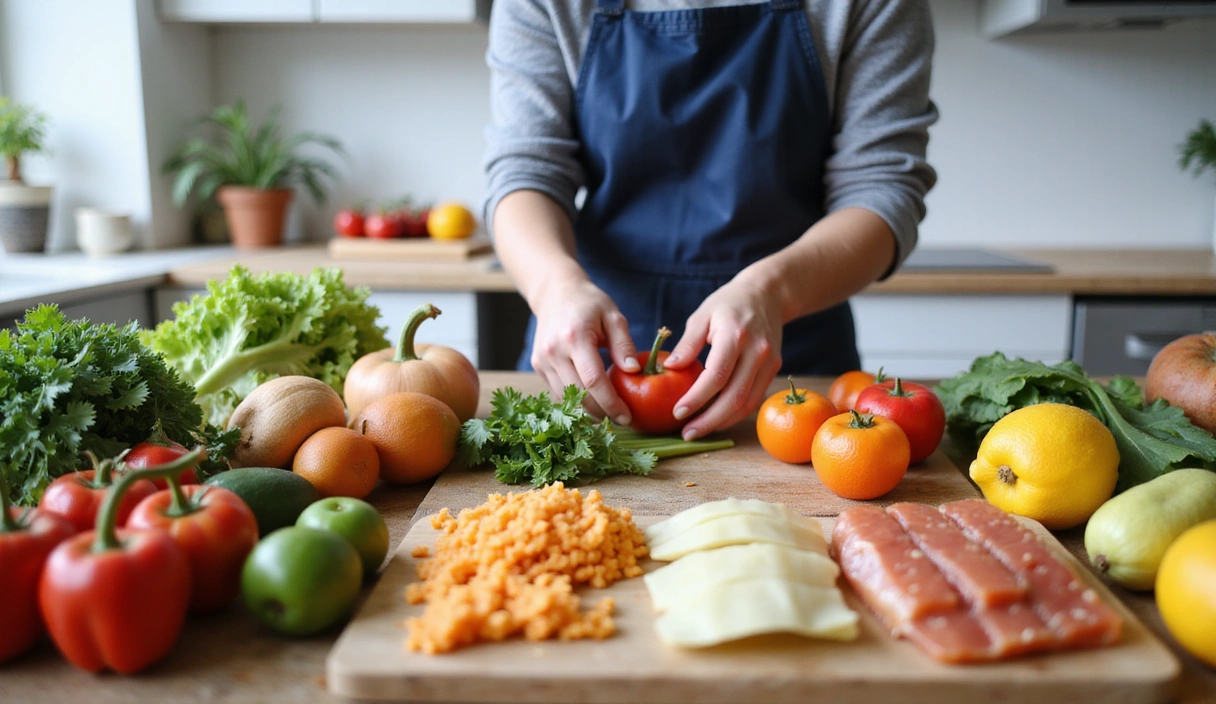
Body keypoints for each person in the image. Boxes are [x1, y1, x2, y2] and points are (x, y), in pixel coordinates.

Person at [483, 0, 937, 441]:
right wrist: (554, 287)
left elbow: (882, 187)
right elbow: (526, 171)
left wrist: (771, 292)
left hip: (791, 367)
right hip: (587, 358)